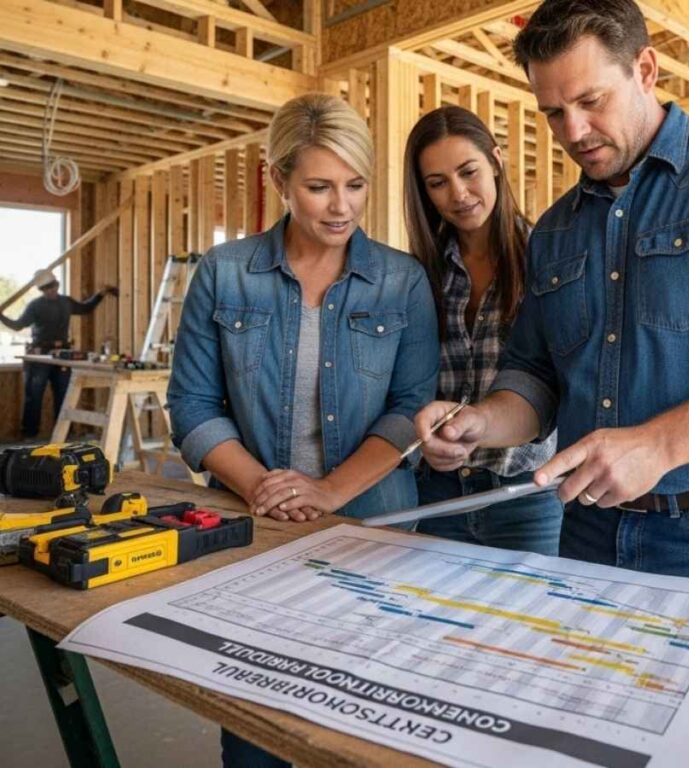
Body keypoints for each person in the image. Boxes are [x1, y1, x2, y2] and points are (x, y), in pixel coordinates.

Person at [415, 0, 689, 607]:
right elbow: (536, 378)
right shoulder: (554, 231)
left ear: (645, 70)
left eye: (590, 101)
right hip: (588, 531)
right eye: (553, 112)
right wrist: (482, 423)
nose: (572, 132)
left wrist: (658, 445)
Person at [167, 93, 439, 768]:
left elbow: (411, 406)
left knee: (363, 723)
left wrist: (328, 491)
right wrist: (263, 485)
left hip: (373, 531)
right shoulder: (225, 273)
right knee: (254, 723)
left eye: (355, 185)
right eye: (318, 187)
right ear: (277, 179)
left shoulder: (402, 282)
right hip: (255, 525)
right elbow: (193, 407)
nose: (340, 206)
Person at [403, 106, 563, 554]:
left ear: (495, 160)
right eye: (437, 183)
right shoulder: (420, 275)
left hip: (527, 495)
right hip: (438, 492)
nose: (459, 193)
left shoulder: (547, 260)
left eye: (468, 171)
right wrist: (425, 445)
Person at [0, 269, 117, 438]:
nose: (52, 290)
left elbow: (86, 309)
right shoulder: (35, 306)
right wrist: (2, 317)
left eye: (54, 286)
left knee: (64, 395)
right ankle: (29, 436)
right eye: (47, 288)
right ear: (41, 290)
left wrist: (101, 294)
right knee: (34, 396)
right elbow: (18, 325)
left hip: (62, 354)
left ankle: (64, 435)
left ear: (57, 284)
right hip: (39, 354)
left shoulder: (66, 302)